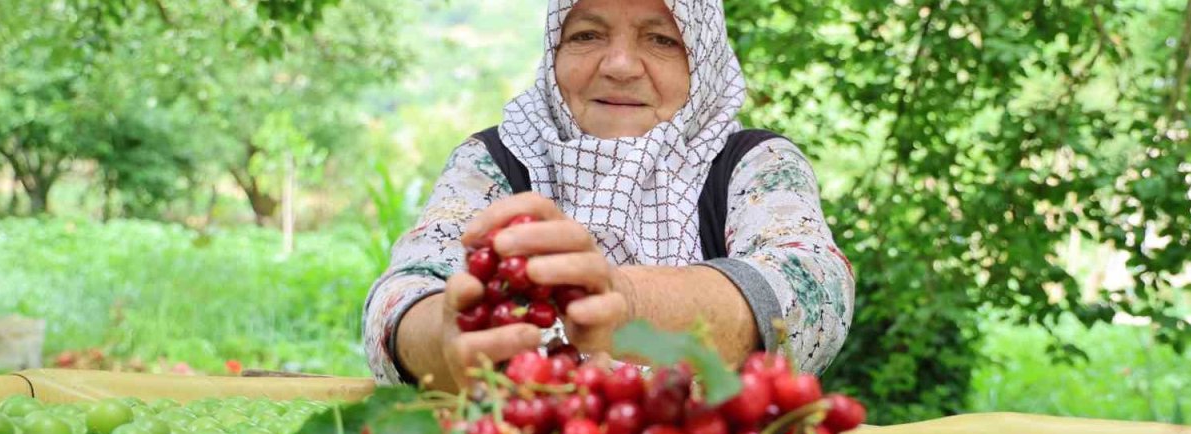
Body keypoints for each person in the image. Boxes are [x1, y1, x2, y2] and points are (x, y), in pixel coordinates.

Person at [364, 0, 854, 392]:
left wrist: (629, 305)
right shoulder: (494, 160)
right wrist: (441, 341)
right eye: (586, 34)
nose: (619, 65)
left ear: (701, 58)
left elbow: (816, 289)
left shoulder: (753, 162)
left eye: (662, 38)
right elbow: (401, 294)